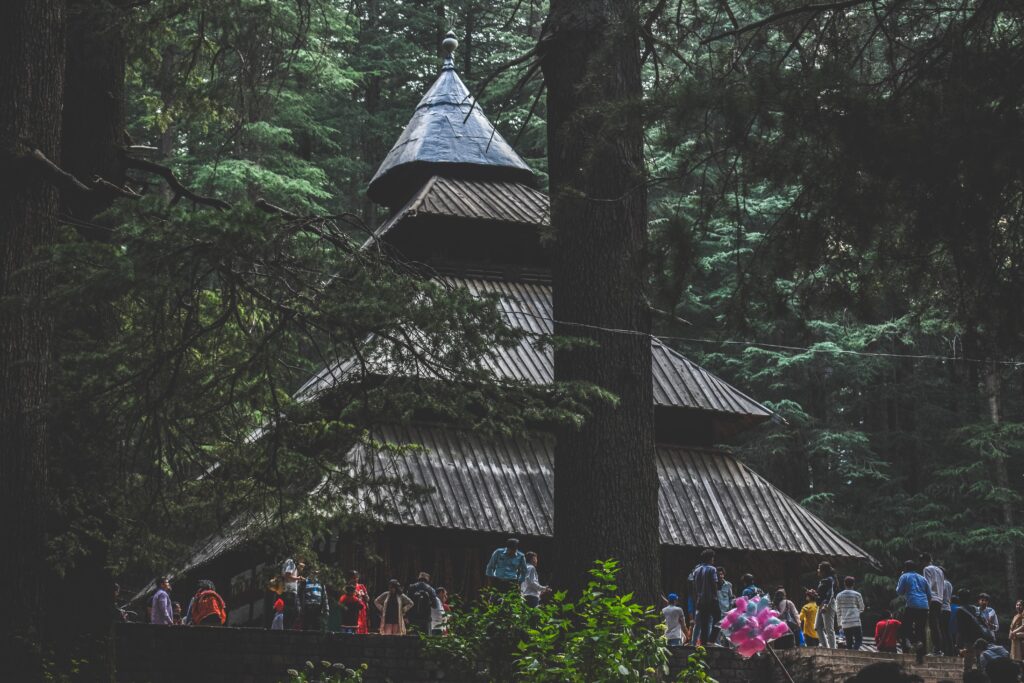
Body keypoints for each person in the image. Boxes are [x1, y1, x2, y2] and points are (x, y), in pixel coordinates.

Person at [896, 560, 930, 651]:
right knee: (920, 627)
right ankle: (921, 646)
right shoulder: (923, 578)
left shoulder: (904, 576)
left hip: (912, 604)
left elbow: (899, 591)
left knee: (906, 625)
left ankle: (909, 642)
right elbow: (929, 594)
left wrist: (901, 577)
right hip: (924, 605)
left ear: (905, 568)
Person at [691, 549, 720, 646]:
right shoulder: (712, 569)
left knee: (704, 623)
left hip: (701, 600)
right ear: (710, 558)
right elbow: (714, 584)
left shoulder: (696, 570)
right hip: (711, 599)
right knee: (718, 618)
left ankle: (704, 644)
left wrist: (697, 600)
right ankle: (711, 640)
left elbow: (694, 587)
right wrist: (715, 597)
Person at [921, 554, 947, 656]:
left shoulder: (927, 569)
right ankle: (938, 649)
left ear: (924, 561)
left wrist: (926, 599)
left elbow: (927, 584)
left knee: (933, 625)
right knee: (936, 625)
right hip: (939, 600)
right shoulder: (940, 570)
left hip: (931, 598)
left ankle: (936, 649)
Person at [835, 576, 865, 650]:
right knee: (858, 640)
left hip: (845, 623)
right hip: (856, 622)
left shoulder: (839, 595)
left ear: (844, 584)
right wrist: (857, 612)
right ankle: (855, 651)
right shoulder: (857, 594)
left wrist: (839, 624)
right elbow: (862, 608)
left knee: (849, 642)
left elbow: (838, 611)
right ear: (853, 584)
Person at [815, 562, 839, 649]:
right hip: (821, 604)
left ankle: (832, 650)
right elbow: (822, 594)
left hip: (827, 604)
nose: (817, 570)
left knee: (829, 629)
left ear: (823, 571)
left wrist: (825, 605)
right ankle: (826, 647)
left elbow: (830, 593)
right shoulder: (824, 580)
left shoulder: (829, 580)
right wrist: (814, 594)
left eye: (819, 569)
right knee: (818, 627)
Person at [280, 558, 305, 629]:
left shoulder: (290, 563)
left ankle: (287, 631)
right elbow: (288, 576)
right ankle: (287, 633)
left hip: (289, 592)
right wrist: (298, 578)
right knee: (293, 612)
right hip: (290, 592)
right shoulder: (291, 562)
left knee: (291, 614)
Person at [346, 570, 371, 634]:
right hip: (353, 611)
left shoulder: (361, 586)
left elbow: (368, 598)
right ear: (350, 578)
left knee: (363, 626)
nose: (356, 579)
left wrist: (364, 596)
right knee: (355, 626)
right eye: (354, 578)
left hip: (362, 610)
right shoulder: (348, 587)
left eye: (357, 577)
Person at [713, 567, 734, 643]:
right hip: (716, 612)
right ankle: (718, 646)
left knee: (726, 631)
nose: (720, 576)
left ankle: (726, 647)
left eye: (722, 574)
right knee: (716, 632)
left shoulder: (728, 585)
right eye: (718, 574)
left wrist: (730, 610)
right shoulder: (713, 585)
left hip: (726, 613)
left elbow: (731, 598)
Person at [941, 578, 954, 655]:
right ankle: (950, 651)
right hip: (948, 608)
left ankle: (944, 650)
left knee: (942, 631)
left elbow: (940, 595)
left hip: (942, 608)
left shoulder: (942, 583)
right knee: (947, 631)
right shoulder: (949, 584)